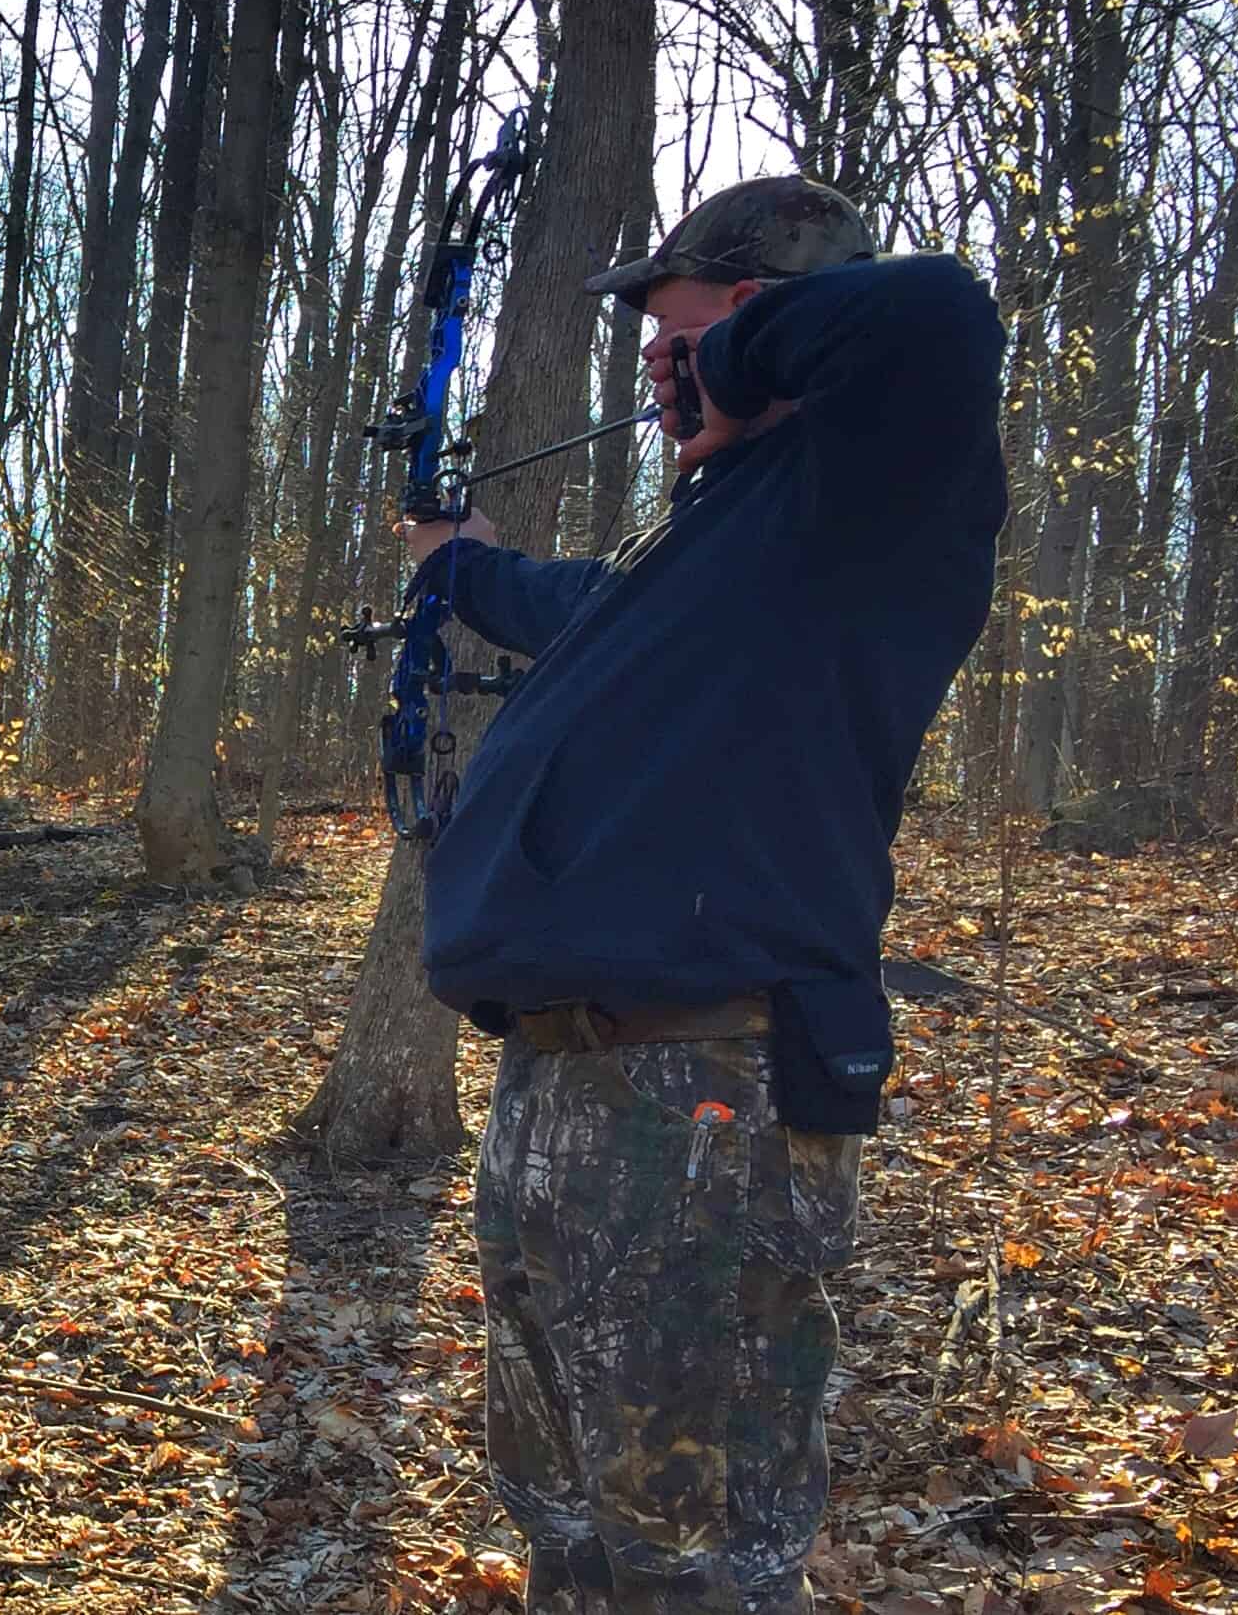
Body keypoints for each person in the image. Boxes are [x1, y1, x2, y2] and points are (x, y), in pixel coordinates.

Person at [405, 176, 1005, 1613]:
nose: (664, 374)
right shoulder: (712, 535)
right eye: (661, 351)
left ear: (776, 327)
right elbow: (581, 616)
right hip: (566, 1085)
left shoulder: (872, 501)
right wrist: (461, 566)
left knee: (696, 1549)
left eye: (690, 342)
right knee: (567, 1512)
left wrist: (740, 342)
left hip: (707, 1087)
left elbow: (940, 312)